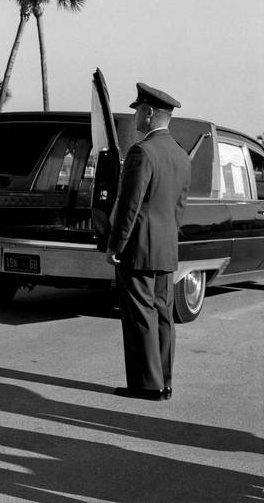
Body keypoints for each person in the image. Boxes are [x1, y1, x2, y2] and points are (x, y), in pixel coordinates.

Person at [106, 83, 191, 401]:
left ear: (149, 113)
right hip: (165, 249)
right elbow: (179, 208)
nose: (136, 117)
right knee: (162, 315)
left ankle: (146, 385)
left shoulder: (142, 152)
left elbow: (130, 206)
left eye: (138, 111)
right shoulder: (181, 155)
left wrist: (115, 246)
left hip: (139, 249)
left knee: (140, 316)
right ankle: (164, 382)